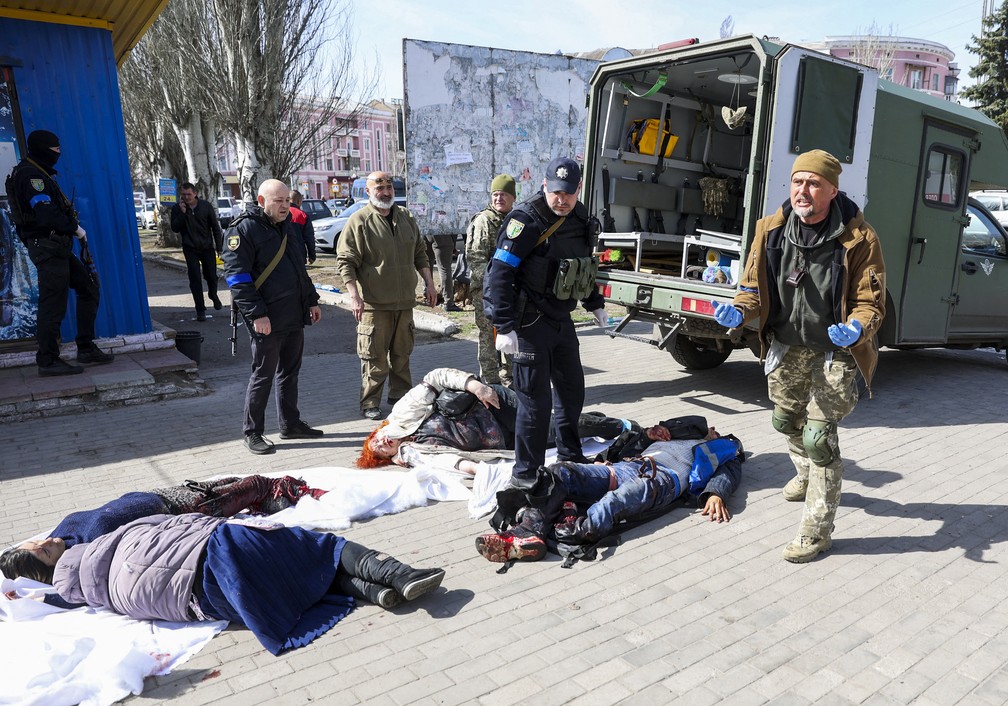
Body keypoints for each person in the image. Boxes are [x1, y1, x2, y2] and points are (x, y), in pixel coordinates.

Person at [712, 149, 886, 563]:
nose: (803, 190)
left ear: (832, 190)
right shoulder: (771, 230)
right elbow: (752, 286)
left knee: (819, 439)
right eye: (797, 181)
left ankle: (816, 532)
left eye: (813, 183)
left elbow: (871, 301)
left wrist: (858, 328)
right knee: (785, 420)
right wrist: (740, 309)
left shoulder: (860, 239)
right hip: (786, 344)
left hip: (834, 351)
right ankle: (805, 472)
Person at [6, 513, 445, 655]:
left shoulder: (94, 597)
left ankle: (374, 592)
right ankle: (397, 573)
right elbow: (167, 516)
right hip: (222, 558)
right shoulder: (104, 536)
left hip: (220, 605)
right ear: (49, 560)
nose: (50, 538)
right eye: (43, 547)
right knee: (311, 544)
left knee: (288, 575)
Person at [484, 157, 607, 485]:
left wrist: (595, 304)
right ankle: (526, 475)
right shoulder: (526, 220)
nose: (561, 200)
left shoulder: (582, 221)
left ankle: (569, 456)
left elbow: (582, 267)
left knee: (572, 391)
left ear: (577, 190)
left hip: (560, 319)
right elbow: (500, 272)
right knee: (535, 405)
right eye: (555, 192)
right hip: (527, 323)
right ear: (544, 185)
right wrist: (505, 325)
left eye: (568, 193)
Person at [475, 416, 744, 563]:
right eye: (710, 428)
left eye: (716, 431)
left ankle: (573, 529)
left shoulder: (720, 450)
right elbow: (624, 445)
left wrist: (716, 493)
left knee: (615, 501)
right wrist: (645, 436)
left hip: (663, 482)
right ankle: (527, 535)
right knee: (560, 472)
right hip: (628, 467)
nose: (714, 430)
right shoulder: (675, 434)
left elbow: (728, 472)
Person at [0, 474, 326, 580]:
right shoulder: (87, 557)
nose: (48, 540)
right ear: (52, 567)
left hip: (154, 495)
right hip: (180, 511)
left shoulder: (62, 535)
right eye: (45, 551)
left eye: (37, 543)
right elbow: (70, 594)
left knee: (228, 482)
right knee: (254, 485)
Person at [356, 367, 630, 471]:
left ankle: (623, 426)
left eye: (375, 440)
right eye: (379, 451)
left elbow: (435, 377)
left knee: (565, 426)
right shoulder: (414, 450)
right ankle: (595, 421)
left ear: (377, 432)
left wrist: (475, 385)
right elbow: (448, 461)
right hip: (504, 441)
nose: (381, 442)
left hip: (496, 406)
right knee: (559, 436)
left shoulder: (402, 413)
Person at [221, 179, 324, 455]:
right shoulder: (243, 229)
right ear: (261, 200)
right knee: (263, 375)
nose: (284, 206)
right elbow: (236, 278)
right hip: (266, 318)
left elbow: (298, 269)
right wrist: (257, 315)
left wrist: (311, 301)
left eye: (287, 201)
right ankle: (252, 432)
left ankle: (290, 424)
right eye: (277, 201)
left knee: (290, 373)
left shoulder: (288, 226)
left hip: (292, 314)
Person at [5, 129, 113, 376]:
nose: (59, 153)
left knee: (89, 288)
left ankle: (85, 347)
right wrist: (75, 228)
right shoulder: (32, 176)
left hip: (57, 247)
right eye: (55, 150)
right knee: (52, 304)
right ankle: (47, 360)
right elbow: (44, 212)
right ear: (42, 149)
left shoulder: (37, 172)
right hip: (49, 247)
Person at [336, 171, 437, 420]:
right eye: (379, 188)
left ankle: (401, 400)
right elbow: (346, 261)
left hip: (404, 304)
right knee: (374, 359)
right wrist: (354, 296)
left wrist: (430, 284)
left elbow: (420, 253)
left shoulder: (405, 217)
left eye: (389, 187)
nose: (385, 192)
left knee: (402, 356)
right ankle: (370, 402)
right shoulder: (359, 221)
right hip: (374, 305)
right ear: (368, 192)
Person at [467, 173, 517, 386]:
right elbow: (475, 260)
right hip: (486, 291)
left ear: (513, 197)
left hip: (511, 290)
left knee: (512, 334)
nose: (499, 199)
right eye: (496, 195)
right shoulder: (484, 221)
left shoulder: (516, 220)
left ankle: (513, 380)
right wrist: (494, 284)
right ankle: (491, 384)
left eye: (504, 195)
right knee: (488, 337)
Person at [170, 182, 224, 321]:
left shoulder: (205, 206)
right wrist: (182, 214)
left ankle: (213, 294)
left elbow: (215, 228)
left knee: (211, 276)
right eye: (183, 195)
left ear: (195, 193)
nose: (186, 197)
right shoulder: (177, 209)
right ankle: (200, 309)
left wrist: (219, 247)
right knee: (194, 278)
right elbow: (175, 228)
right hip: (190, 248)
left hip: (207, 248)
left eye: (189, 194)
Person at [289, 189, 317, 265]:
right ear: (298, 201)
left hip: (281, 255)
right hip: (299, 254)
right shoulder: (303, 215)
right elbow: (309, 238)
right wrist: (312, 256)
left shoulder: (279, 214)